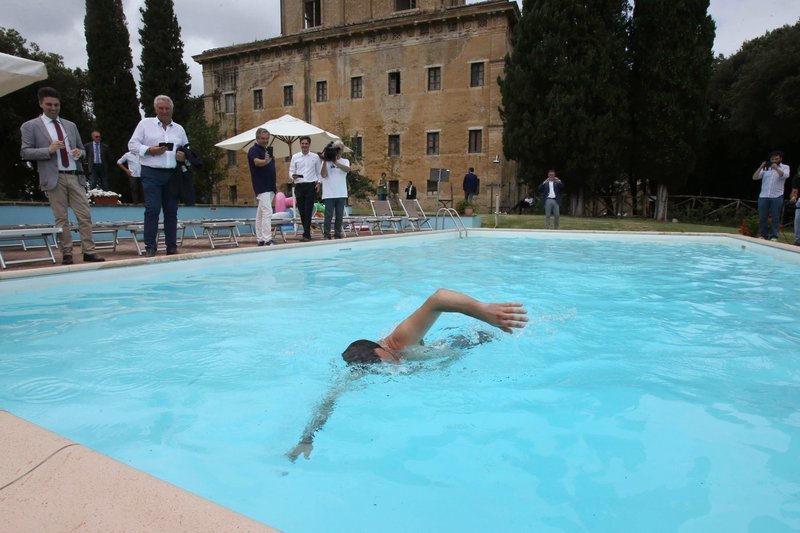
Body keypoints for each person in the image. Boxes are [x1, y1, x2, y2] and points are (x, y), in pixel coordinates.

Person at [287, 289, 527, 461]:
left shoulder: (401, 341)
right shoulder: (365, 364)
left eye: (386, 362)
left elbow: (439, 298)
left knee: (477, 340)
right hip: (438, 353)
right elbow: (328, 400)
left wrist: (483, 311)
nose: (390, 368)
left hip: (469, 338)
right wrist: (306, 438)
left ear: (381, 348)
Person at [20, 87, 104, 265]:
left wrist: (78, 153)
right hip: (53, 177)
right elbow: (25, 152)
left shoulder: (70, 125)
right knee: (61, 217)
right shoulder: (30, 126)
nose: (53, 108)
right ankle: (67, 253)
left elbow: (83, 150)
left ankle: (89, 251)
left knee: (85, 215)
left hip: (74, 175)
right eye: (49, 104)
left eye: (56, 105)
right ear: (41, 104)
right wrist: (48, 150)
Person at [128, 95, 189, 256]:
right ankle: (150, 247)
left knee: (171, 211)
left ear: (171, 109)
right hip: (151, 172)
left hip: (172, 174)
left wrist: (183, 156)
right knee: (152, 209)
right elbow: (132, 144)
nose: (164, 111)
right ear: (155, 109)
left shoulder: (179, 129)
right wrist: (149, 150)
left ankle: (171, 246)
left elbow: (186, 148)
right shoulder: (145, 124)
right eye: (161, 108)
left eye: (167, 108)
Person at [289, 135, 322, 242]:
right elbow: (291, 171)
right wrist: (292, 176)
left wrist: (319, 183)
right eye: (302, 143)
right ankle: (306, 233)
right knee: (302, 211)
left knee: (308, 210)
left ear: (309, 145)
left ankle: (306, 234)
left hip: (310, 186)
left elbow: (319, 172)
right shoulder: (295, 157)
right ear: (300, 144)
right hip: (299, 185)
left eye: (306, 143)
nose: (304, 145)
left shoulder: (315, 157)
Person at [752, 151, 790, 240]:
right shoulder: (765, 168)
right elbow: (754, 177)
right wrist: (761, 166)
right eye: (772, 159)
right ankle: (763, 235)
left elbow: (784, 175)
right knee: (762, 217)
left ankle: (774, 236)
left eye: (776, 159)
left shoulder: (785, 167)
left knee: (775, 217)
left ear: (780, 159)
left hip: (777, 195)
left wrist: (776, 168)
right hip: (764, 195)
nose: (774, 161)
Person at [248, 127, 276, 246]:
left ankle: (260, 239)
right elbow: (257, 163)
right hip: (261, 186)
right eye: (263, 138)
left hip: (269, 186)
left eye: (267, 138)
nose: (265, 141)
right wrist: (265, 161)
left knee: (260, 214)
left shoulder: (267, 151)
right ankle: (267, 238)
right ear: (257, 138)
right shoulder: (253, 150)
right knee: (267, 212)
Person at [320, 140, 351, 239]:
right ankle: (326, 234)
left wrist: (335, 162)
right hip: (329, 193)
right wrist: (325, 160)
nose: (338, 151)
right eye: (337, 149)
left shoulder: (345, 161)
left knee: (339, 216)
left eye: (340, 149)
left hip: (341, 193)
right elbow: (323, 175)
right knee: (328, 216)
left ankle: (337, 233)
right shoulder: (326, 162)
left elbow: (347, 170)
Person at [790, 171, 800, 246]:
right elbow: (795, 190)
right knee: (797, 219)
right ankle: (798, 240)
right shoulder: (797, 177)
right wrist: (793, 197)